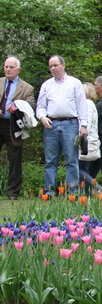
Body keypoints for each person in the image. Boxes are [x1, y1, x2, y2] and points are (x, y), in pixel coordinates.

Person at [36, 55, 89, 196]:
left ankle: (73, 192)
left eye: (55, 65)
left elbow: (82, 105)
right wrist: (42, 117)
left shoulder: (74, 83)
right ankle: (49, 191)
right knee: (50, 160)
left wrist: (84, 125)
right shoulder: (46, 85)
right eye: (50, 66)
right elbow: (40, 106)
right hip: (51, 124)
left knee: (71, 159)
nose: (53, 68)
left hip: (71, 123)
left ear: (63, 65)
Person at [0, 56, 36, 200]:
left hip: (14, 125)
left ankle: (12, 192)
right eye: (6, 66)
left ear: (18, 69)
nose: (8, 69)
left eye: (11, 67)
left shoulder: (27, 88)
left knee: (14, 160)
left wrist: (17, 108)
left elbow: (32, 105)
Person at [78, 82, 102, 194]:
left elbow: (86, 124)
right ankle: (85, 194)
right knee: (85, 170)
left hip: (85, 141)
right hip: (91, 140)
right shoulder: (92, 104)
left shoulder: (86, 104)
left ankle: (96, 186)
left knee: (78, 169)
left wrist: (80, 139)